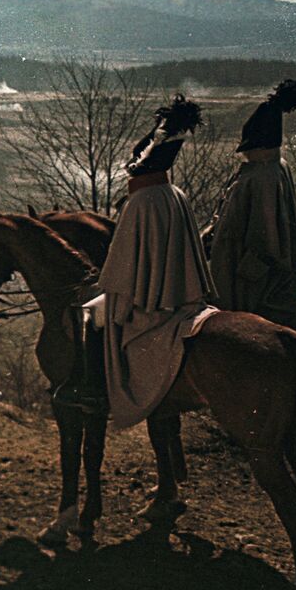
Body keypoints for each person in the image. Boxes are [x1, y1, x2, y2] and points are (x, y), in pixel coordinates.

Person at [80, 95, 214, 428]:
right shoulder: (174, 194)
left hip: (147, 307)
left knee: (90, 314)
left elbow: (120, 275)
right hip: (180, 299)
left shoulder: (142, 201)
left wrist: (106, 284)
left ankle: (96, 395)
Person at [209, 77, 296, 328]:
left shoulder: (261, 176)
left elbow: (264, 233)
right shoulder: (272, 167)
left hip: (247, 275)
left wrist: (244, 273)